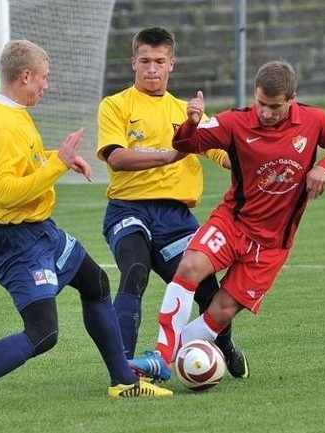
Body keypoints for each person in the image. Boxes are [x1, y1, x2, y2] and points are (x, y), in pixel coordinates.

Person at [0, 39, 172, 413]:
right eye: (44, 77)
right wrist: (55, 165)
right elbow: (7, 191)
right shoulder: (3, 125)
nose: (47, 84)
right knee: (43, 334)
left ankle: (123, 381)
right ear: (25, 76)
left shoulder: (10, 112)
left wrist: (55, 159)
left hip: (39, 229)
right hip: (15, 239)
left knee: (95, 282)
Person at [130, 60, 325, 381]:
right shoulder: (235, 122)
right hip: (233, 223)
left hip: (272, 244)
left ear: (292, 98)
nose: (266, 113)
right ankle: (161, 356)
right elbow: (184, 144)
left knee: (220, 312)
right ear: (255, 95)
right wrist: (191, 122)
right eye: (261, 104)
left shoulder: (315, 120)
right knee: (189, 267)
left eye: (275, 107)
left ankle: (174, 359)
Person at [96, 27, 249, 379]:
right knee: (134, 273)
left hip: (176, 217)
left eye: (159, 61)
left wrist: (259, 162)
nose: (152, 69)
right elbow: (116, 158)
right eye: (145, 61)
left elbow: (227, 156)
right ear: (133, 62)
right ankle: (123, 369)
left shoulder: (186, 113)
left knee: (208, 289)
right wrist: (168, 156)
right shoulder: (115, 105)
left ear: (172, 64)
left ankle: (222, 346)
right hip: (129, 209)